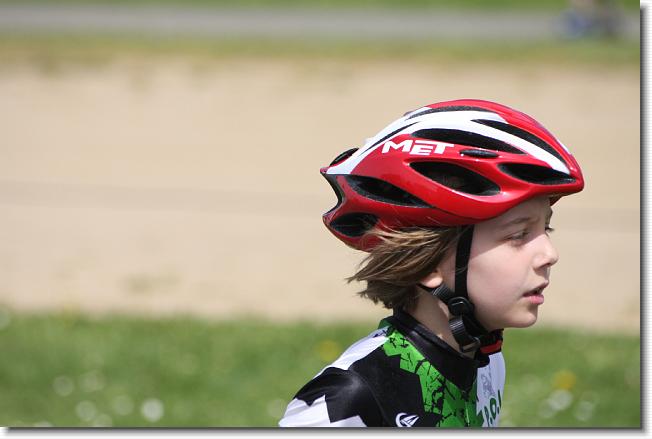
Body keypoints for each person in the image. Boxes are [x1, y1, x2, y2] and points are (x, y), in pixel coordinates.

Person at [278, 99, 584, 428]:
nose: (549, 254)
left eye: (545, 228)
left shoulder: (484, 364)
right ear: (429, 265)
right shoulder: (346, 404)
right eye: (518, 235)